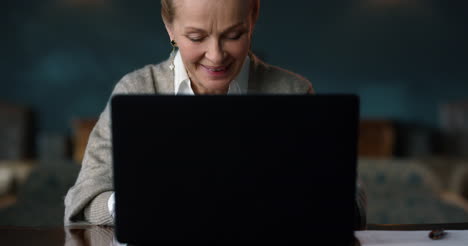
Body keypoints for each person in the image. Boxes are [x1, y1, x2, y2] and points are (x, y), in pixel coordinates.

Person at [64, 0, 367, 229]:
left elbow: (350, 198)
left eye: (234, 35)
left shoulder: (293, 90)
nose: (216, 55)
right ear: (169, 28)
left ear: (254, 17)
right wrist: (130, 205)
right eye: (196, 37)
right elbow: (84, 196)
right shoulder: (135, 89)